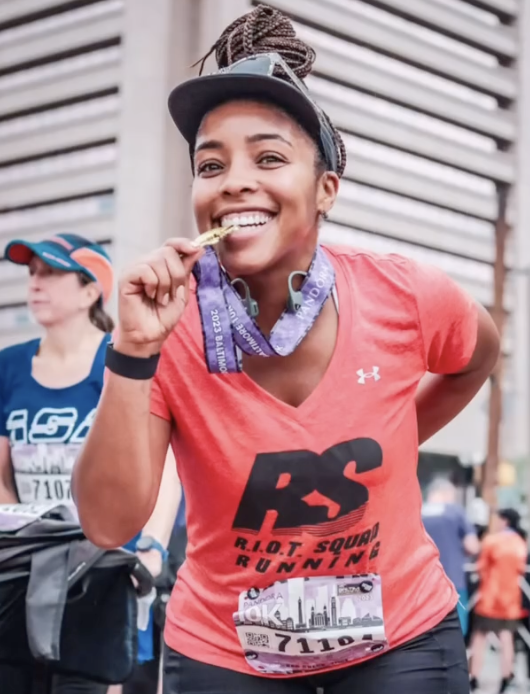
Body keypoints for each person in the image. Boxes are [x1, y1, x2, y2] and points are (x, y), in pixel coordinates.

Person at [73, 5, 500, 694]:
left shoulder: (405, 293)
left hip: (401, 641)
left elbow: (477, 354)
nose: (235, 178)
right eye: (211, 164)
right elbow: (108, 522)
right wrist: (132, 351)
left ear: (326, 189)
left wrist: (397, 433)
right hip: (224, 650)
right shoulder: (161, 325)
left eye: (269, 157)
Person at [0, 233, 180, 694]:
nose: (36, 284)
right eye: (32, 274)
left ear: (89, 290)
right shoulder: (9, 366)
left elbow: (166, 465)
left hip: (110, 571)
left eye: (52, 273)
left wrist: (152, 550)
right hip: (30, 572)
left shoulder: (121, 358)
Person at [469, 508, 527, 693]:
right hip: (510, 601)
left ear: (505, 521)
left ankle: (474, 677)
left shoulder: (492, 541)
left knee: (479, 637)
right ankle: (505, 677)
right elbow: (520, 568)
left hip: (489, 599)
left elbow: (481, 567)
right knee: (507, 638)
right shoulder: (520, 543)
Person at [422, 478, 480, 636]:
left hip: (421, 583)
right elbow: (472, 546)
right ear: (446, 493)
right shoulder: (455, 511)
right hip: (451, 580)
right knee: (456, 629)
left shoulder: (417, 511)